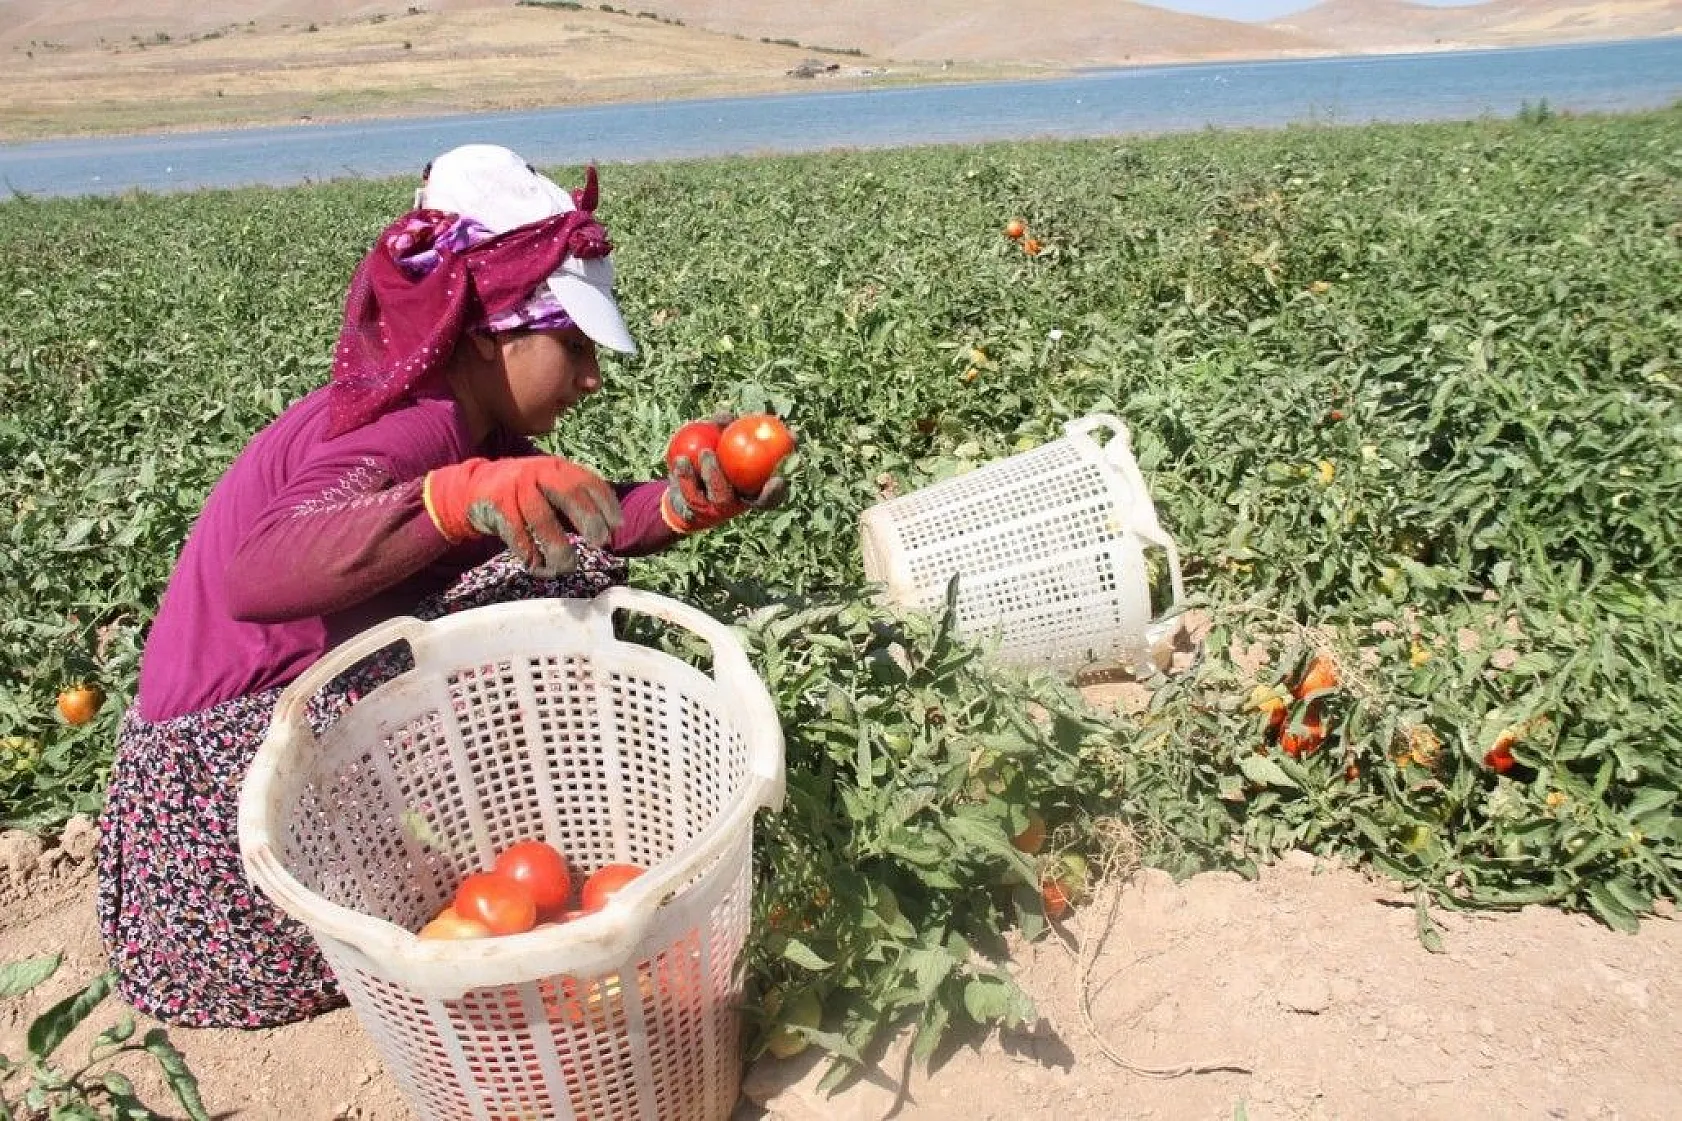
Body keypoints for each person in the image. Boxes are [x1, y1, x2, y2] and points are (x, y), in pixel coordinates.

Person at [95, 143, 785, 1029]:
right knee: (534, 589)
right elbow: (255, 572)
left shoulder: (463, 421)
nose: (590, 377)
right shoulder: (417, 428)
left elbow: (579, 513)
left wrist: (684, 506)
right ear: (489, 333)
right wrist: (455, 497)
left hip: (221, 778)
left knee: (543, 550)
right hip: (218, 809)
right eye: (573, 345)